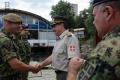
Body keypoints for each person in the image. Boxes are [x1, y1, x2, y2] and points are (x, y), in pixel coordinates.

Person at [77, 0, 120, 80]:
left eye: (94, 16)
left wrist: (72, 70)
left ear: (108, 13)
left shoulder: (103, 53)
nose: (93, 22)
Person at [37, 16, 81, 80]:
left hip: (66, 75)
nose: (53, 29)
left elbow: (74, 62)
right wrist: (40, 65)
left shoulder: (70, 38)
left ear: (61, 25)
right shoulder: (60, 40)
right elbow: (53, 57)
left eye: (54, 26)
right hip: (60, 75)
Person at [0, 13, 39, 80]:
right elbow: (15, 65)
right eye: (17, 23)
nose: (20, 26)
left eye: (20, 24)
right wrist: (32, 69)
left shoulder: (10, 38)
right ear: (7, 23)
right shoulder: (4, 40)